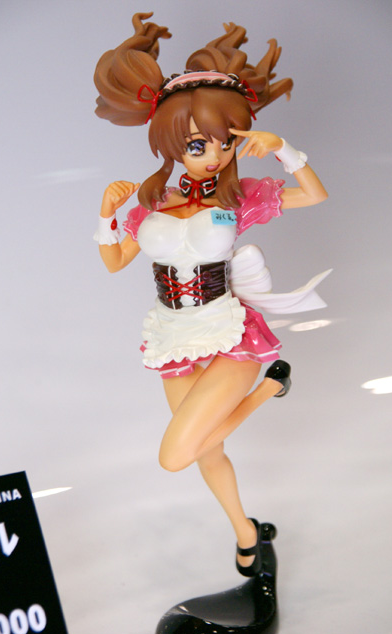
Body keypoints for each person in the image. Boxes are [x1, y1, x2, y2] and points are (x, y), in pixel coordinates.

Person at [93, 12, 328, 577]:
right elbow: (116, 261)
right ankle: (245, 532)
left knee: (175, 455)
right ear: (172, 144)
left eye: (224, 144)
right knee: (208, 449)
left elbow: (314, 196)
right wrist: (106, 214)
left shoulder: (237, 196)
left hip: (229, 332)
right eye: (198, 145)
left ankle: (268, 388)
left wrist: (283, 148)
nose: (214, 156)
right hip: (173, 337)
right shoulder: (152, 203)